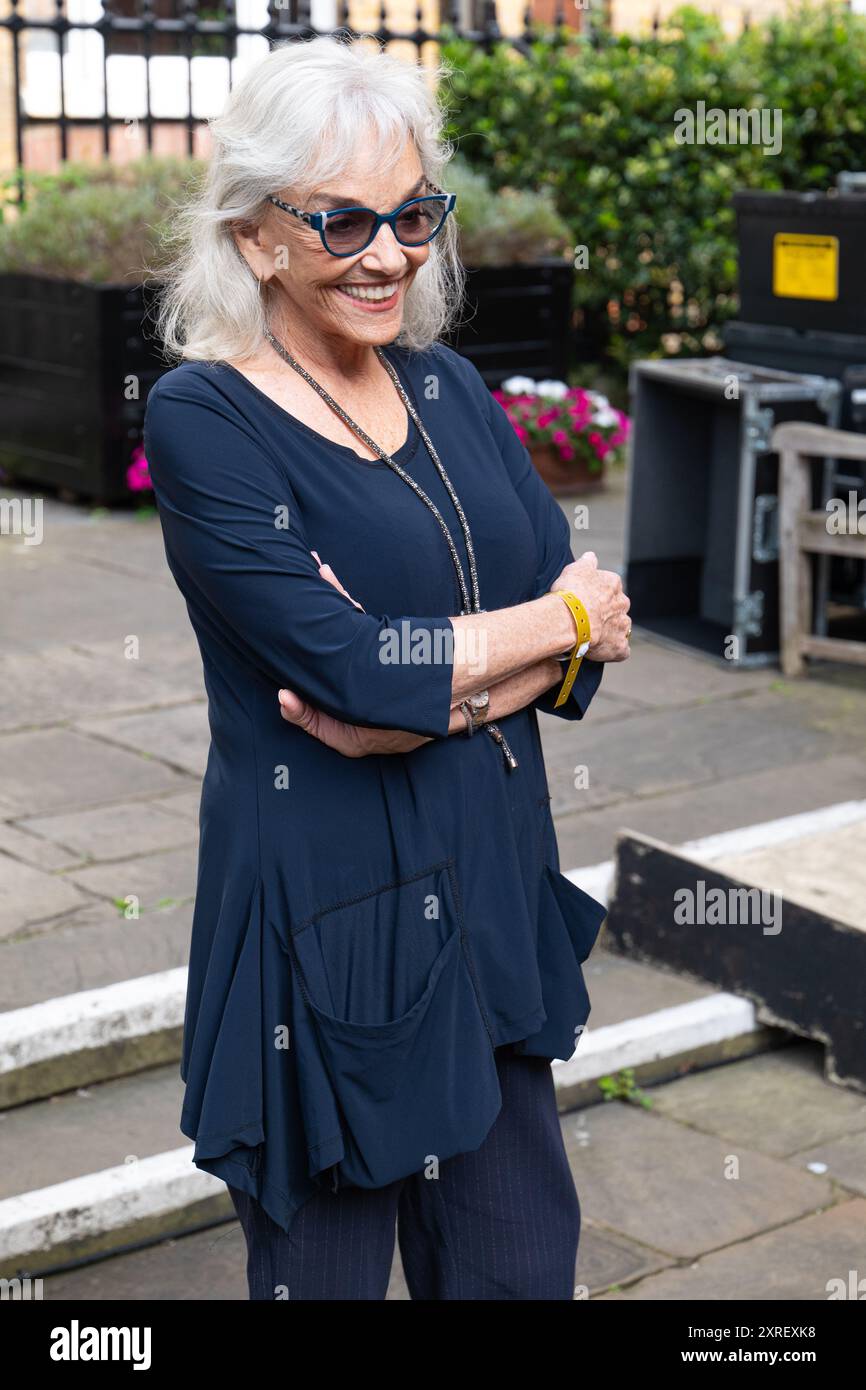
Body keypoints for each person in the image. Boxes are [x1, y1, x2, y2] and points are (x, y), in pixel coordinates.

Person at [144, 35, 631, 1301]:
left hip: (483, 880)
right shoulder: (206, 417)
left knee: (520, 1275)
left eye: (412, 213)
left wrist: (460, 682)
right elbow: (353, 670)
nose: (386, 253)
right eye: (343, 218)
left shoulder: (451, 386)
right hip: (325, 920)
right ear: (257, 235)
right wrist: (536, 630)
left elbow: (590, 619)